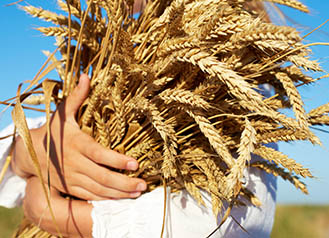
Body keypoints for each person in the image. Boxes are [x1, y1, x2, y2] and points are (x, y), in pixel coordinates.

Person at [0, 2, 277, 238]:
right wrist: (28, 152)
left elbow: (232, 218)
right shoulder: (115, 52)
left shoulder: (236, 63)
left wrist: (67, 217)